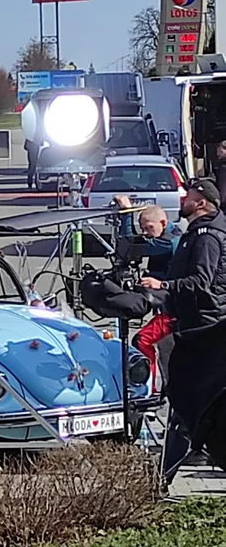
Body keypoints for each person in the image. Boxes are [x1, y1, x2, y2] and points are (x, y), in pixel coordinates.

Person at [139, 179, 226, 482]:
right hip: (197, 327)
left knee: (186, 402)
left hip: (204, 330)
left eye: (188, 195)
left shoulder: (207, 237)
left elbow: (202, 282)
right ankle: (169, 471)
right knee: (190, 404)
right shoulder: (199, 232)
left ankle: (162, 478)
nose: (182, 198)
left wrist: (163, 285)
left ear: (201, 203)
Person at [114, 196, 182, 390]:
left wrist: (127, 213)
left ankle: (147, 388)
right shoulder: (170, 235)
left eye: (149, 228)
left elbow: (129, 244)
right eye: (143, 228)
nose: (146, 233)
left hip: (173, 310)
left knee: (142, 340)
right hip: (169, 306)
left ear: (163, 222)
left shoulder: (168, 243)